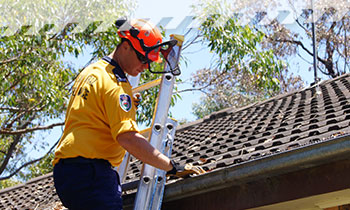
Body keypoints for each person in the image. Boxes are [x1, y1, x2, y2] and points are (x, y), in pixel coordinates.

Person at [52, 18, 190, 210]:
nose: (145, 67)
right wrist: (170, 166)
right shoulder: (117, 86)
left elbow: (94, 112)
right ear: (126, 46)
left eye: (149, 62)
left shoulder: (93, 71)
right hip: (91, 172)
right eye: (143, 59)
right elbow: (128, 138)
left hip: (69, 171)